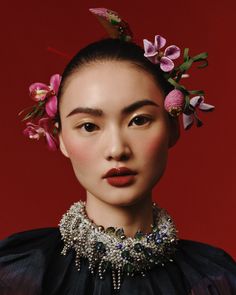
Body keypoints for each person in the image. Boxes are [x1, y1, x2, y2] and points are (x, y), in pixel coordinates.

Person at [0, 7, 236, 295]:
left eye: (139, 120)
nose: (117, 149)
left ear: (173, 128)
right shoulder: (17, 275)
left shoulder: (215, 280)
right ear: (60, 138)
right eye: (88, 126)